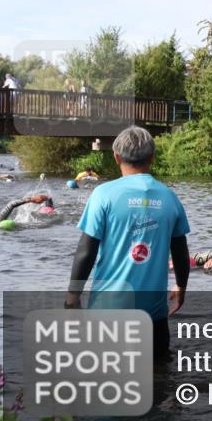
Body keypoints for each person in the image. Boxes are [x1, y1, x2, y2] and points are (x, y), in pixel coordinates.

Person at [65, 126, 191, 361]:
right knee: (159, 380)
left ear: (116, 157)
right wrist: (181, 287)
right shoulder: (169, 197)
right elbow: (181, 252)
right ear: (152, 157)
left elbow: (86, 251)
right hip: (153, 315)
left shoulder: (103, 195)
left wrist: (73, 295)